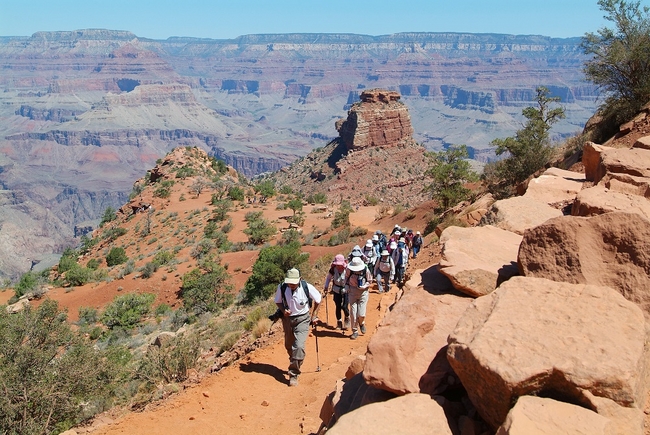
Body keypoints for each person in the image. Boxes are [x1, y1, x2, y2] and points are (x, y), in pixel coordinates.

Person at [274, 268, 322, 386]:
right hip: (287, 320)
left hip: (303, 319)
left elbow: (318, 299)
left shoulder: (307, 287)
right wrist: (283, 310)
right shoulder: (282, 287)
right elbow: (278, 301)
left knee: (299, 346)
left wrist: (314, 315)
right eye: (289, 282)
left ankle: (293, 374)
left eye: (293, 283)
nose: (291, 285)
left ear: (300, 279)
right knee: (289, 345)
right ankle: (296, 358)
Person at [345, 257, 372, 340]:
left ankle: (361, 323)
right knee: (353, 313)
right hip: (352, 292)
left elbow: (370, 280)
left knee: (361, 314)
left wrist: (364, 286)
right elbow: (346, 278)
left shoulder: (365, 270)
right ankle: (355, 331)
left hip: (363, 292)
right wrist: (346, 286)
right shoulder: (349, 270)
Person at [323, 254, 350, 332]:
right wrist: (326, 287)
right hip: (336, 289)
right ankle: (339, 322)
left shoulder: (347, 269)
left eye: (339, 265)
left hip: (346, 289)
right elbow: (328, 278)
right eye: (337, 265)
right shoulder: (333, 269)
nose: (338, 266)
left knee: (345, 306)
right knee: (338, 306)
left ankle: (347, 317)